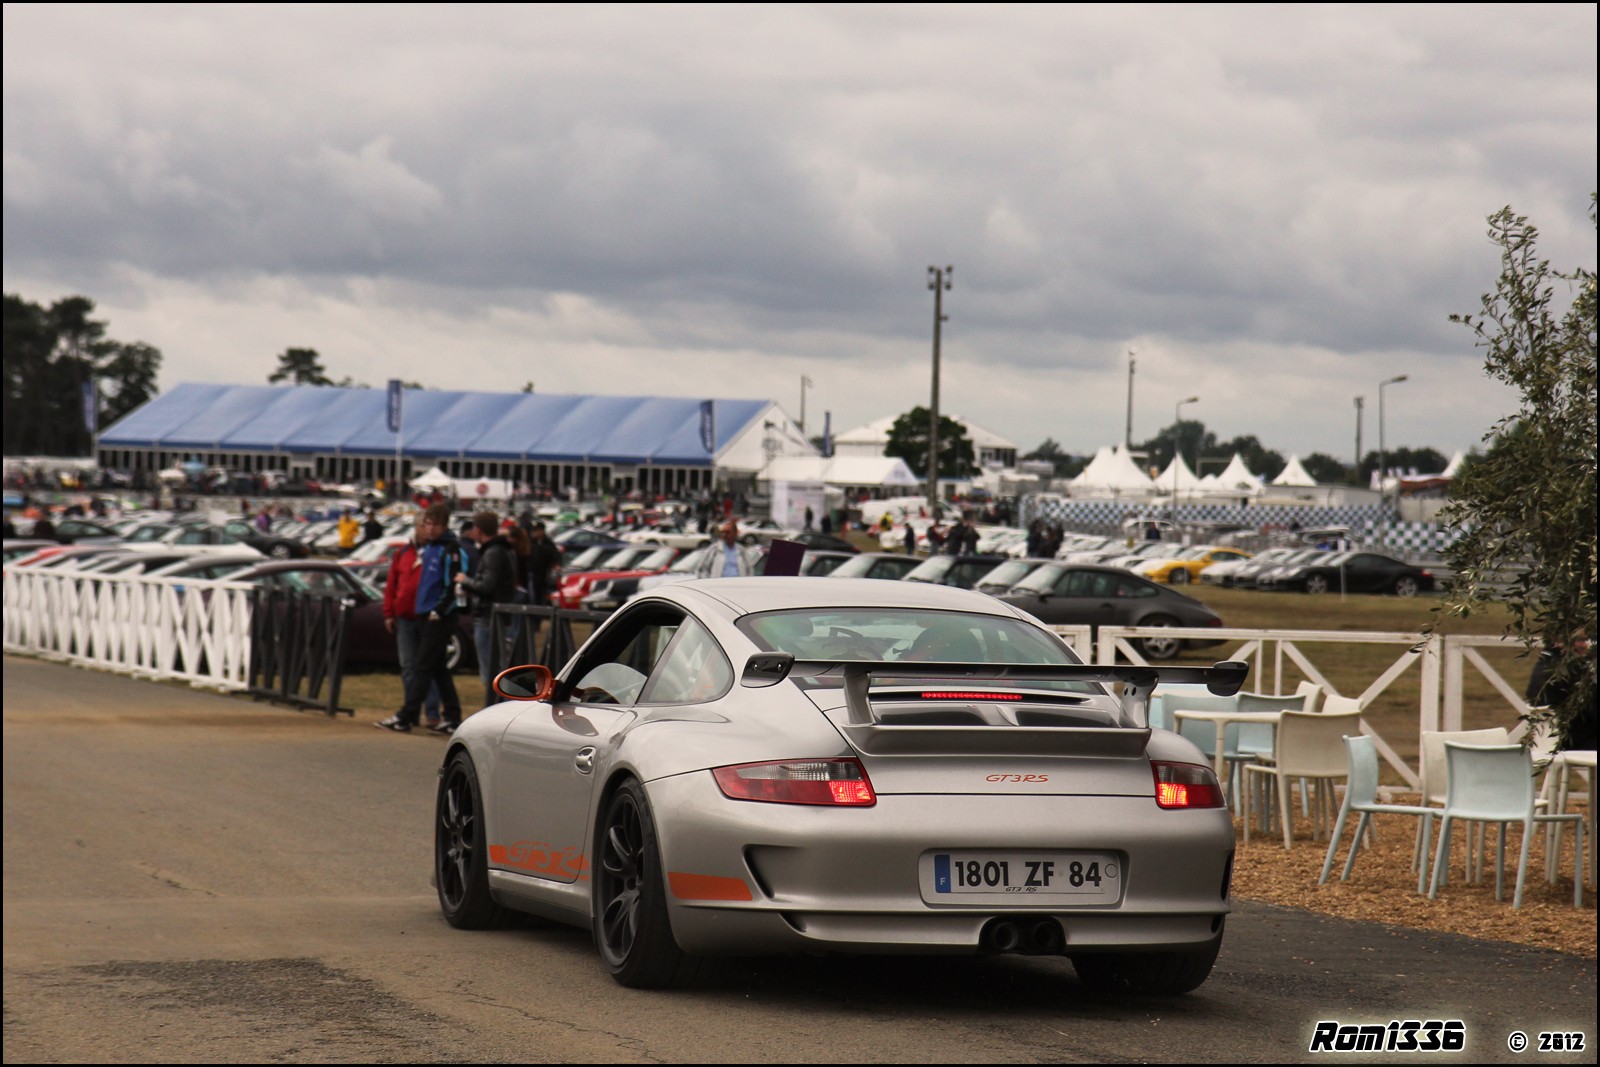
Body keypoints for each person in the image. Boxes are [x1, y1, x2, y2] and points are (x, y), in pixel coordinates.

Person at [376, 504, 467, 734]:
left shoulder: (450, 549)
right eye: (427, 524)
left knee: (422, 667)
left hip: (439, 617)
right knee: (437, 669)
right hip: (424, 614)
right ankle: (453, 716)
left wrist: (439, 610)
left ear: (444, 526)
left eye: (435, 524)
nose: (430, 529)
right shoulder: (431, 549)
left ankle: (407, 715)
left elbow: (454, 584)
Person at [455, 512, 519, 707]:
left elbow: (487, 585)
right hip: (499, 615)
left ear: (479, 530)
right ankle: (502, 707)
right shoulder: (505, 550)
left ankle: (498, 709)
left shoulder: (492, 552)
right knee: (498, 669)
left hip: (488, 617)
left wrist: (464, 581)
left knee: (490, 672)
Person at [694, 520, 760, 578]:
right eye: (722, 532)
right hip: (719, 588)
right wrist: (708, 582)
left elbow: (749, 570)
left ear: (735, 533)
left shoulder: (741, 550)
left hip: (737, 587)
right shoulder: (715, 549)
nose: (724, 535)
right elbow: (702, 569)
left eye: (727, 532)